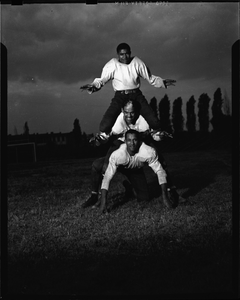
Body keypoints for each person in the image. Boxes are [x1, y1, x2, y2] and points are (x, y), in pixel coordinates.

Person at [80, 43, 176, 140]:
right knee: (104, 126)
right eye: (121, 54)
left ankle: (155, 134)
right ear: (118, 55)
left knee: (154, 122)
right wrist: (92, 86)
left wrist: (162, 82)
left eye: (127, 54)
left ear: (130, 53)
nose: (124, 57)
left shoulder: (137, 62)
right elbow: (101, 80)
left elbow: (150, 78)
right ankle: (103, 136)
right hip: (120, 96)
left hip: (136, 94)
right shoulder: (112, 64)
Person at [82, 129, 178, 213]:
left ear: (139, 140)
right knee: (99, 165)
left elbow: (160, 172)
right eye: (129, 140)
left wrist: (165, 197)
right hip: (120, 165)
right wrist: (104, 202)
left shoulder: (148, 152)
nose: (132, 143)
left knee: (144, 198)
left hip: (135, 170)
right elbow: (107, 178)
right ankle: (95, 196)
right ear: (125, 141)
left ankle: (129, 187)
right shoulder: (118, 154)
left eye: (135, 140)